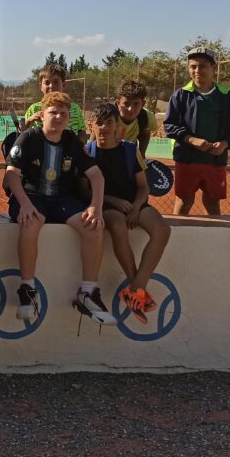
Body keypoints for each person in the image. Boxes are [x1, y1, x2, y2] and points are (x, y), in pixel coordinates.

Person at [4, 91, 115, 326]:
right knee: (31, 221)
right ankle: (27, 289)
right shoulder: (28, 137)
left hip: (62, 199)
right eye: (53, 112)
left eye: (63, 114)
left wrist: (96, 206)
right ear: (42, 115)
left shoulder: (72, 142)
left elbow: (96, 175)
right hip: (31, 196)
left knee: (94, 227)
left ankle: (87, 293)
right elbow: (12, 175)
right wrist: (24, 204)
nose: (58, 117)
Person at [87, 103, 171, 324]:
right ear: (91, 126)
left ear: (118, 126)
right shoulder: (87, 153)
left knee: (162, 230)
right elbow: (84, 191)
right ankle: (137, 292)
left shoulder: (130, 150)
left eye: (109, 123)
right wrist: (112, 200)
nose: (104, 128)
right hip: (106, 205)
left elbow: (143, 187)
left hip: (134, 203)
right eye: (99, 123)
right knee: (118, 227)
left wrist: (135, 206)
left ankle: (136, 289)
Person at [165, 47, 230, 216]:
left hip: (215, 161)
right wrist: (191, 140)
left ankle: (216, 233)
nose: (197, 70)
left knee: (213, 202)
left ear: (213, 68)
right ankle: (179, 232)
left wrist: (224, 144)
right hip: (187, 160)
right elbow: (169, 125)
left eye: (202, 66)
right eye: (193, 66)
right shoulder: (180, 95)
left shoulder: (226, 96)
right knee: (184, 201)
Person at [24, 63, 88, 144]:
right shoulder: (33, 109)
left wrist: (77, 147)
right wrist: (30, 120)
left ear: (63, 84)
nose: (51, 86)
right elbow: (22, 132)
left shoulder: (75, 108)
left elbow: (82, 133)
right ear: (41, 86)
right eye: (47, 83)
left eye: (56, 82)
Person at [116, 80, 157, 158]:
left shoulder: (146, 117)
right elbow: (95, 138)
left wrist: (141, 156)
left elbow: (145, 136)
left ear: (143, 104)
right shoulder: (108, 115)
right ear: (118, 103)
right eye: (126, 103)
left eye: (136, 104)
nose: (130, 109)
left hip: (129, 154)